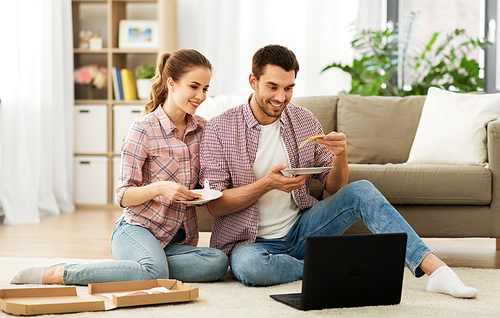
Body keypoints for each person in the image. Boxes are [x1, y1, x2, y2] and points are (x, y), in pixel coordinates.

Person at [199, 44, 478, 298]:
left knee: (362, 191)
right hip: (251, 244)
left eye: (289, 88)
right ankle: (329, 265)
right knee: (249, 268)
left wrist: (341, 156)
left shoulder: (304, 120)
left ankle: (437, 271)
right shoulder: (220, 128)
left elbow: (334, 188)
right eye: (272, 87)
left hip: (302, 230)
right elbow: (215, 207)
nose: (280, 97)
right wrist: (267, 184)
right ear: (253, 81)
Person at [10, 49, 228, 285]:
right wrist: (160, 188)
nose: (201, 96)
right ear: (172, 84)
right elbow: (122, 196)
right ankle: (61, 272)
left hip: (177, 239)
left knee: (217, 262)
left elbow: (208, 179)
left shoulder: (205, 130)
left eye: (205, 89)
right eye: (194, 87)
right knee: (155, 272)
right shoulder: (143, 130)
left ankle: (140, 267)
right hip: (137, 230)